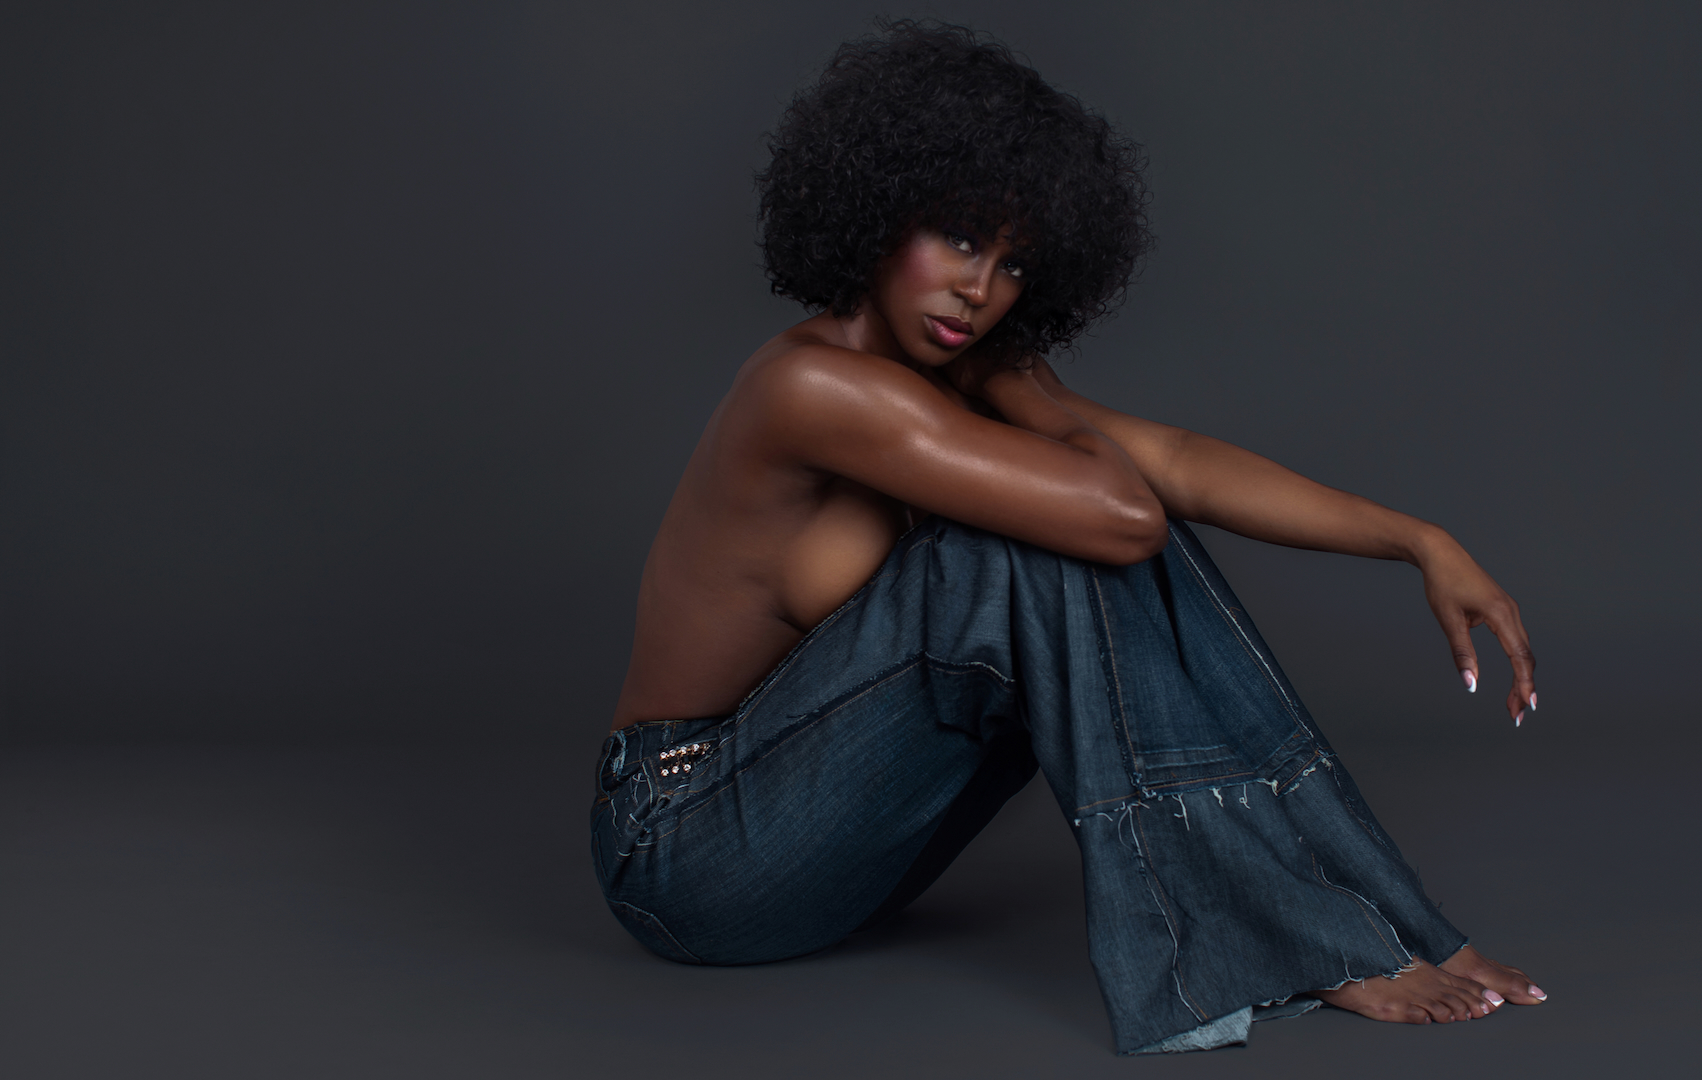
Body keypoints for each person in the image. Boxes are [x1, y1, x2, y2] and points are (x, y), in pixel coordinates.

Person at [591, 20, 1546, 1054]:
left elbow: (1173, 465)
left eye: (1012, 266)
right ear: (875, 208)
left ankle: (1354, 914)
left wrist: (1418, 540)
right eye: (960, 239)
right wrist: (1027, 398)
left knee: (1065, 527)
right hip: (685, 849)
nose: (980, 291)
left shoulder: (953, 379)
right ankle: (1306, 933)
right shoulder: (810, 387)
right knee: (1022, 546)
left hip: (835, 853)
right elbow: (1128, 510)